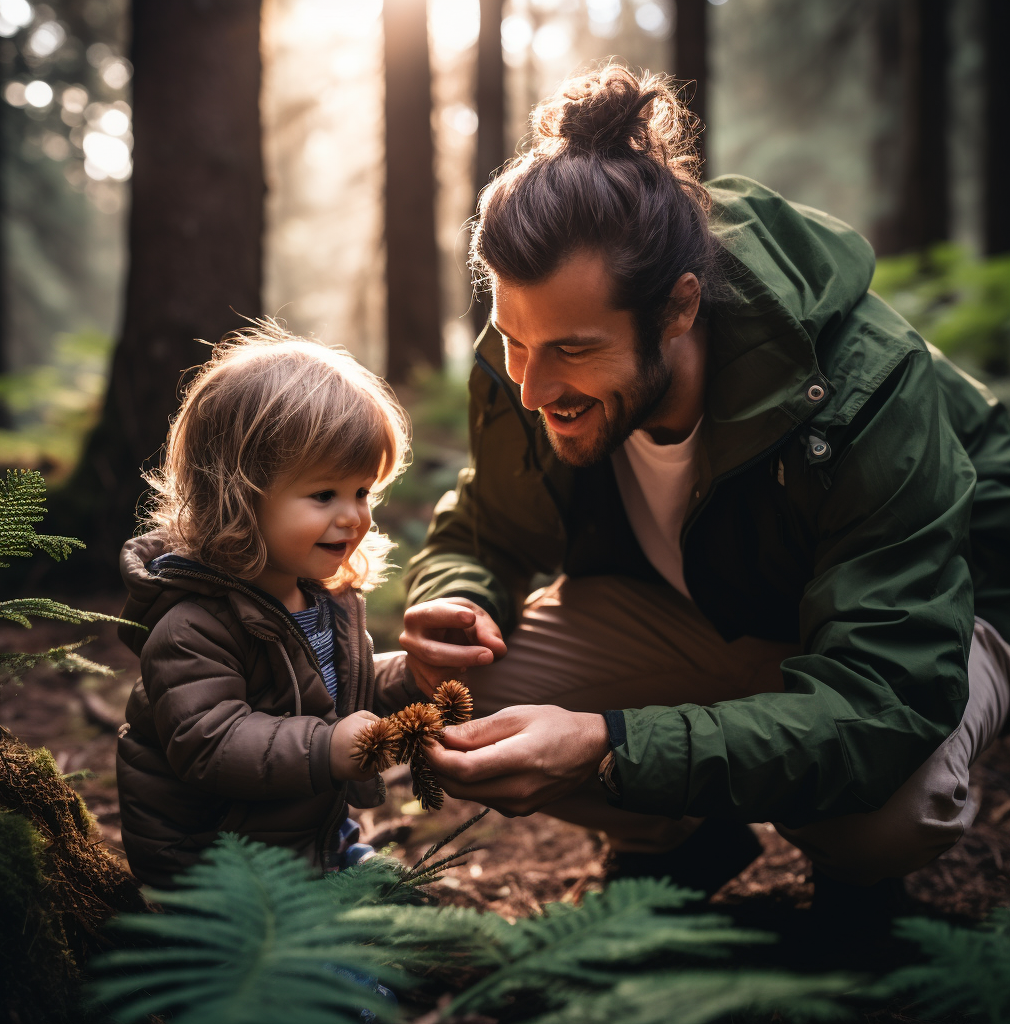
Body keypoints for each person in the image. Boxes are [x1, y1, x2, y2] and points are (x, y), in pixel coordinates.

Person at [397, 65, 1010, 904]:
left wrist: (612, 746)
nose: (531, 388)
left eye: (574, 350)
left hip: (927, 622)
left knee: (886, 812)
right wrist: (455, 594)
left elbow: (884, 695)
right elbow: (484, 526)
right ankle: (677, 845)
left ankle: (852, 889)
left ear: (679, 309)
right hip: (710, 613)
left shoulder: (864, 386)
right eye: (512, 341)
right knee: (455, 710)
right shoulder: (535, 343)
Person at [116, 325, 418, 888]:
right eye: (324, 494)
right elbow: (209, 742)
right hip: (224, 870)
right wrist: (327, 749)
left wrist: (418, 674)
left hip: (314, 843)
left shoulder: (318, 595)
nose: (354, 516)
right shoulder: (192, 625)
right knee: (349, 974)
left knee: (420, 930)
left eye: (362, 492)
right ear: (239, 495)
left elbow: (343, 690)